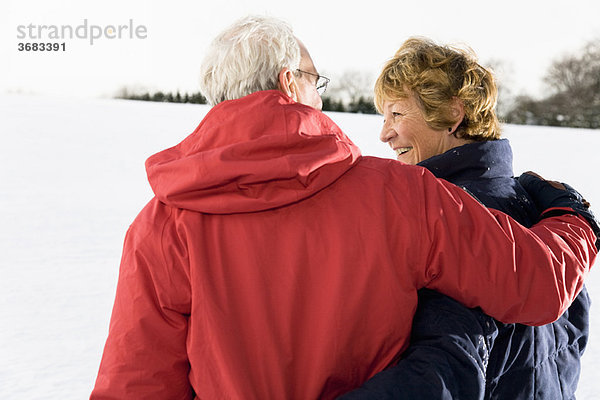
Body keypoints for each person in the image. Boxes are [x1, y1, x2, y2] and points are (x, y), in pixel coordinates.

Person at [90, 16, 597, 399]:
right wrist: (575, 219)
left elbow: (136, 383)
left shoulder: (160, 224)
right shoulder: (402, 194)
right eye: (316, 79)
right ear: (291, 84)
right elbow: (537, 284)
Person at [340, 38, 595, 399]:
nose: (384, 133)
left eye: (397, 114)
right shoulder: (543, 215)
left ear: (452, 114)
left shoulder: (452, 223)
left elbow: (440, 374)